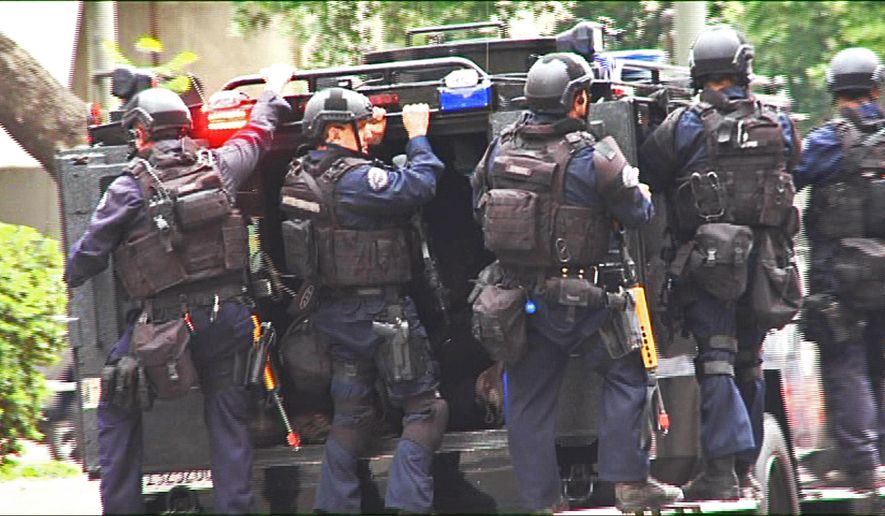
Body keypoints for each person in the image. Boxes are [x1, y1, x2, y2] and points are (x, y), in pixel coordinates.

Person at [63, 64, 295, 514]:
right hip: (228, 320)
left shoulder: (129, 187)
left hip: (168, 328)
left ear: (143, 132)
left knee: (115, 401)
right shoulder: (219, 166)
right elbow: (257, 134)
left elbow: (86, 257)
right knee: (229, 424)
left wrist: (70, 275)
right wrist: (272, 89)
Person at [471, 52, 683, 513]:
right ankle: (629, 482)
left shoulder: (499, 150)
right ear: (578, 100)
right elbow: (638, 214)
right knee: (628, 375)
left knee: (527, 402)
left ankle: (542, 503)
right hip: (585, 301)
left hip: (518, 298)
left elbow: (478, 206)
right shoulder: (594, 156)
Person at [639, 25, 799, 500]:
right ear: (743, 70)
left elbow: (647, 170)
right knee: (749, 361)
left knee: (717, 359)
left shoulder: (686, 125)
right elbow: (798, 167)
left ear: (698, 75)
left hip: (710, 264)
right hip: (767, 263)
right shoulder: (778, 123)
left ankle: (722, 472)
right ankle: (745, 470)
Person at [278, 88, 448, 513]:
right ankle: (406, 506)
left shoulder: (299, 175)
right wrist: (418, 137)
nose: (366, 131)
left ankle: (334, 507)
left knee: (351, 417)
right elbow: (419, 185)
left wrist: (372, 132)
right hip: (381, 315)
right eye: (358, 124)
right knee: (425, 410)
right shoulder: (355, 180)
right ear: (335, 130)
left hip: (334, 316)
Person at [794, 47, 885, 491]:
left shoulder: (827, 141)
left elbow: (790, 178)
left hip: (840, 276)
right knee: (878, 363)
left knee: (845, 364)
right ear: (876, 88)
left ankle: (863, 465)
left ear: (835, 92)